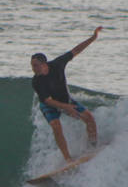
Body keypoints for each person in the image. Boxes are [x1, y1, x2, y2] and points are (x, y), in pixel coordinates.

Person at [30, 26, 101, 162]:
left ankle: (92, 147)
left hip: (65, 100)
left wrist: (93, 37)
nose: (33, 68)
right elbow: (48, 101)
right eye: (32, 65)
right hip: (49, 105)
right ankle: (68, 158)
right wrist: (65, 107)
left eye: (36, 65)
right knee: (56, 126)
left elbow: (76, 50)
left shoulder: (57, 64)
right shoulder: (37, 81)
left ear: (44, 64)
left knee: (89, 118)